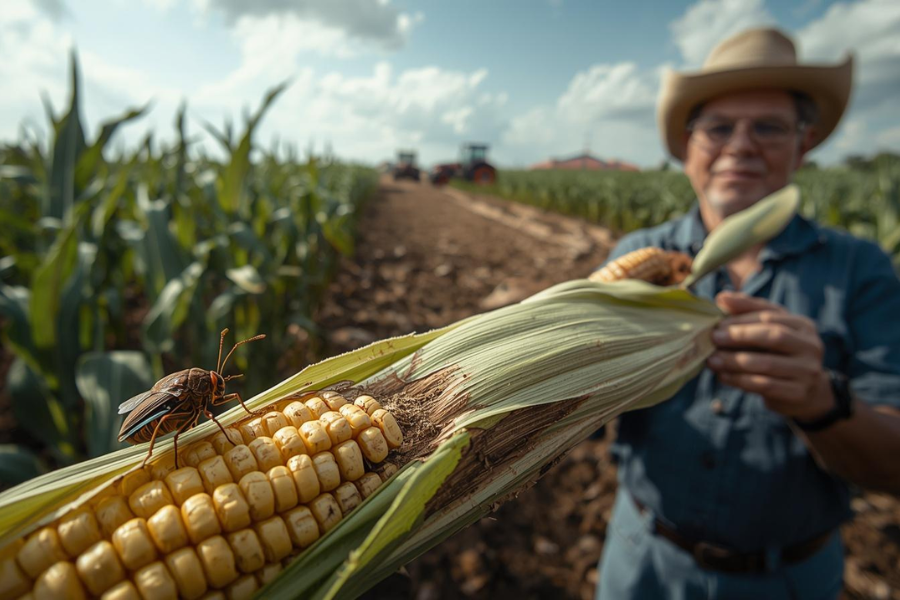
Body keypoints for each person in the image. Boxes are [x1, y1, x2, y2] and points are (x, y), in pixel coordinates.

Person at [595, 28, 900, 600]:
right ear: (688, 146)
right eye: (719, 127)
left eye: (769, 127)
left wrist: (822, 402)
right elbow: (576, 411)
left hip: (789, 579)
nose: (740, 145)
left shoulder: (862, 269)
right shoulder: (638, 251)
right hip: (641, 562)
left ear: (803, 145)